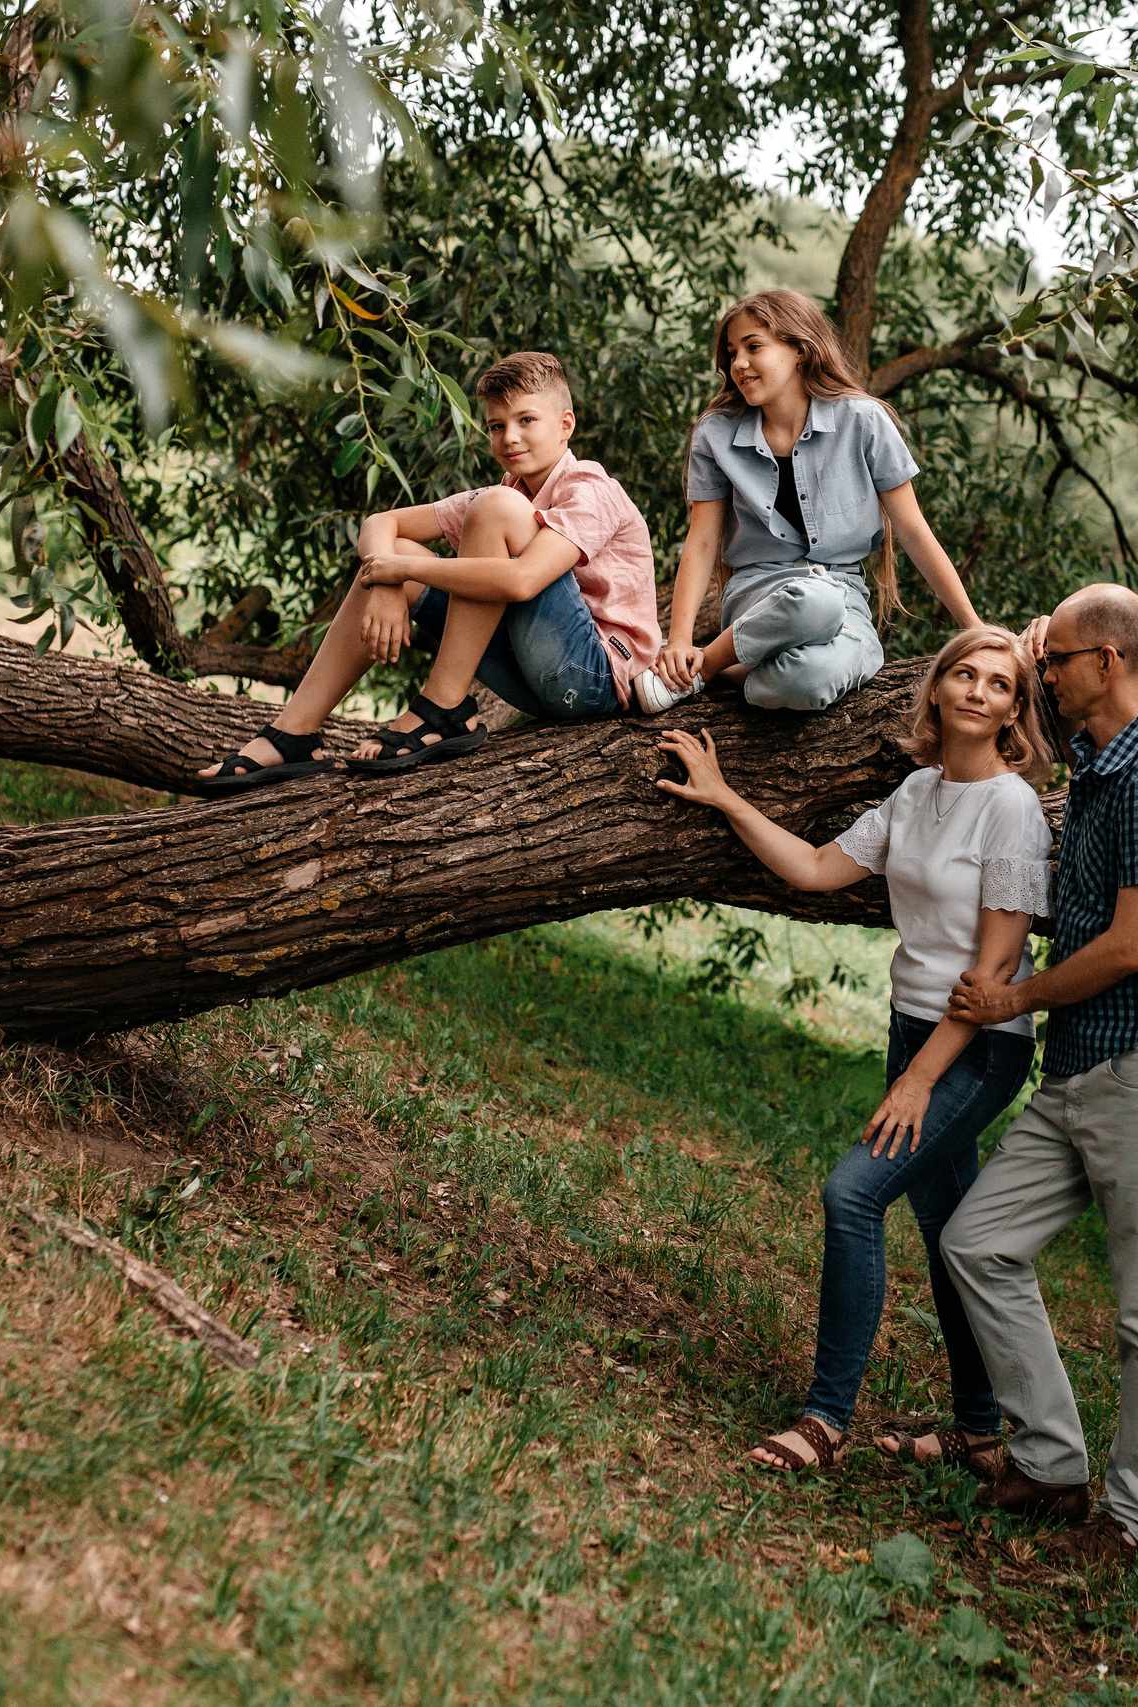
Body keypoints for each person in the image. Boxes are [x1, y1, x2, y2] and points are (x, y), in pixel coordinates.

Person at [653, 625, 1054, 1475]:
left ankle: (825, 1420)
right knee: (950, 1233)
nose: (982, 690)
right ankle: (982, 1430)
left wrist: (917, 1079)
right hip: (913, 1026)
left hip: (975, 1048)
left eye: (1002, 684)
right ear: (939, 689)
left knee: (853, 1194)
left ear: (1017, 710)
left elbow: (994, 970)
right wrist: (725, 796)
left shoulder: (1014, 807)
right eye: (967, 675)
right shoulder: (916, 793)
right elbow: (811, 866)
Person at [937, 583, 1138, 1568]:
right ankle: (1053, 1464)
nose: (1038, 670)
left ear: (1105, 663)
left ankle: (1131, 1527)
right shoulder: (1105, 759)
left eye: (1051, 659)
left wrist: (1017, 999)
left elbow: (1131, 946)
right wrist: (1044, 643)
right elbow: (1060, 726)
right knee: (978, 1242)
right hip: (1081, 1069)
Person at [194, 351, 659, 792]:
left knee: (483, 513)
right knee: (411, 542)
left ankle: (443, 706)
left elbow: (523, 581)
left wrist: (399, 568)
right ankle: (293, 735)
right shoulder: (509, 492)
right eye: (496, 426)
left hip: (593, 679)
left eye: (526, 421)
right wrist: (386, 585)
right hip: (536, 676)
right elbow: (382, 523)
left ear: (565, 425)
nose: (509, 437)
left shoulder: (590, 489)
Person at [635, 289, 986, 716]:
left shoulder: (864, 420)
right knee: (814, 602)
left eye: (753, 347)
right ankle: (700, 665)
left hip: (846, 600)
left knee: (809, 681)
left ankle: (712, 669)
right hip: (761, 595)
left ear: (800, 349)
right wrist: (678, 641)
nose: (738, 363)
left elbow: (914, 531)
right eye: (731, 353)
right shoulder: (716, 434)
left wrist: (975, 630)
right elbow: (703, 541)